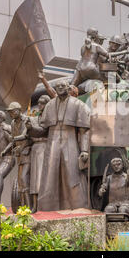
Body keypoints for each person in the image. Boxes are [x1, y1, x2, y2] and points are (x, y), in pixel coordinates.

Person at [28, 79, 91, 211]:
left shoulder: (79, 104)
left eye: (63, 86)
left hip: (71, 140)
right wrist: (31, 129)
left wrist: (84, 150)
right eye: (58, 86)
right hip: (52, 141)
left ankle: (78, 206)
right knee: (50, 174)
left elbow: (84, 131)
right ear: (55, 89)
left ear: (68, 88)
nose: (60, 88)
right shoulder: (50, 105)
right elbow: (43, 130)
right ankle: (47, 208)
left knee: (72, 173)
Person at [1, 102, 33, 210]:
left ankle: (30, 207)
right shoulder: (13, 123)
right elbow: (13, 140)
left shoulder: (27, 120)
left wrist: (16, 142)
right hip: (19, 155)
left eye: (12, 111)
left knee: (24, 179)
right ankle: (24, 207)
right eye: (9, 112)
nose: (11, 114)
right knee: (20, 183)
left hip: (28, 153)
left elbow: (26, 136)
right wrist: (5, 150)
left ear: (18, 110)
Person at [25, 95, 50, 213]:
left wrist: (32, 129)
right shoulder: (36, 118)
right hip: (35, 148)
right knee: (34, 178)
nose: (40, 105)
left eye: (42, 103)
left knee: (42, 177)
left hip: (45, 147)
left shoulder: (50, 118)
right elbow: (28, 137)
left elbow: (44, 131)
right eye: (39, 103)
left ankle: (43, 205)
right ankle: (35, 205)